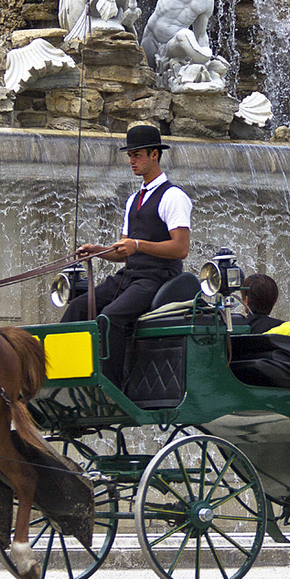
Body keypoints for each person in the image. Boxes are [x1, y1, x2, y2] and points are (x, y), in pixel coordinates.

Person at [64, 124, 193, 384]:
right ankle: (67, 375)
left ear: (154, 154)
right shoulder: (133, 198)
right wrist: (99, 252)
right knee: (78, 307)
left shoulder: (173, 196)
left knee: (110, 318)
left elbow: (181, 248)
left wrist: (138, 245)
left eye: (137, 155)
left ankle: (111, 387)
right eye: (130, 156)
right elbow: (124, 250)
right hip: (130, 275)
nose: (132, 161)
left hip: (157, 278)